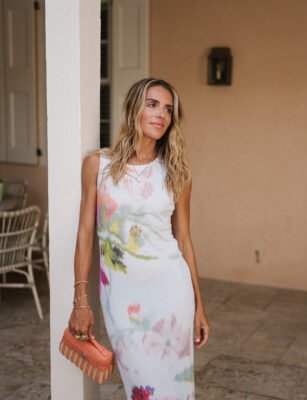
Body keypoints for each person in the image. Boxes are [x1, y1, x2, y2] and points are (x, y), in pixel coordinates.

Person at [68, 77, 210, 399]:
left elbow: (183, 239)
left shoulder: (176, 172)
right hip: (122, 299)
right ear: (134, 109)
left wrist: (199, 306)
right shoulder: (98, 166)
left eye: (168, 109)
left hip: (172, 293)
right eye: (152, 105)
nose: (162, 114)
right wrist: (80, 300)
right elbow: (85, 234)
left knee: (174, 388)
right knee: (141, 386)